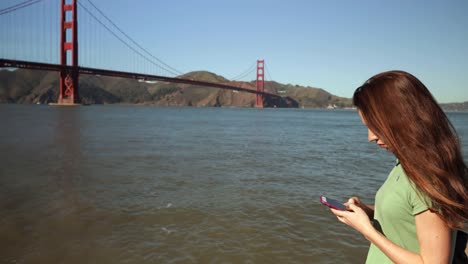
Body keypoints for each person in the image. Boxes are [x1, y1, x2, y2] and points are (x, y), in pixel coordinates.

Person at [330, 70, 468, 263]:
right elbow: (408, 213)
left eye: (375, 127)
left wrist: (366, 230)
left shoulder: (428, 176)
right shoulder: (406, 164)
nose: (371, 137)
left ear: (402, 118)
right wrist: (367, 211)